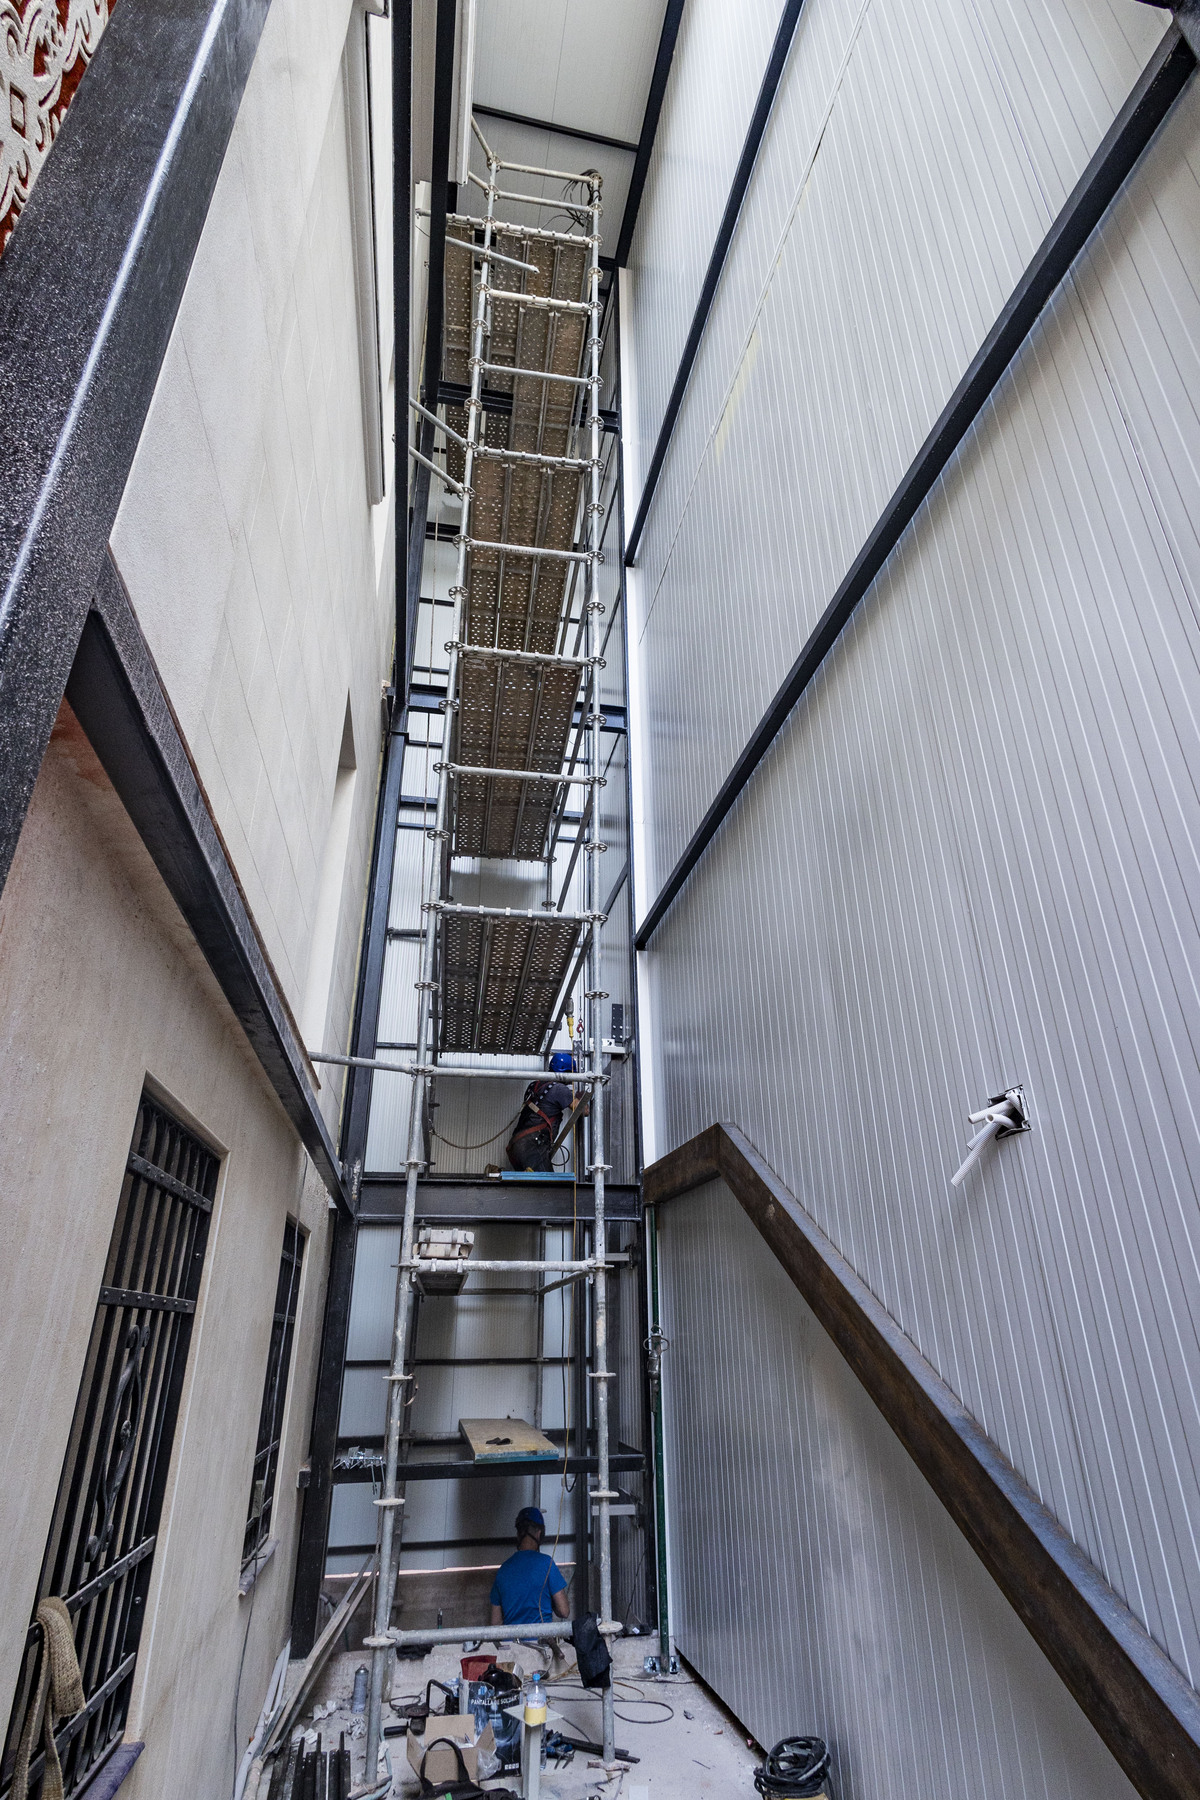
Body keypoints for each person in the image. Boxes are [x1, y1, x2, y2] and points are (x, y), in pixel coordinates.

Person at [489, 1506, 570, 1631]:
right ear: (539, 1533)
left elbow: (495, 1623)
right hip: (542, 1644)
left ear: (518, 1534)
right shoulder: (547, 1564)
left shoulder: (503, 1570)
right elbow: (564, 1611)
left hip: (512, 1646)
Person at [505, 1053, 576, 1172]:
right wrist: (581, 1096)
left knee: (531, 1188)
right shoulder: (559, 1088)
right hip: (532, 1146)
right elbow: (582, 1109)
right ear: (567, 1072)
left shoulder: (534, 1085)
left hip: (516, 1146)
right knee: (546, 1188)